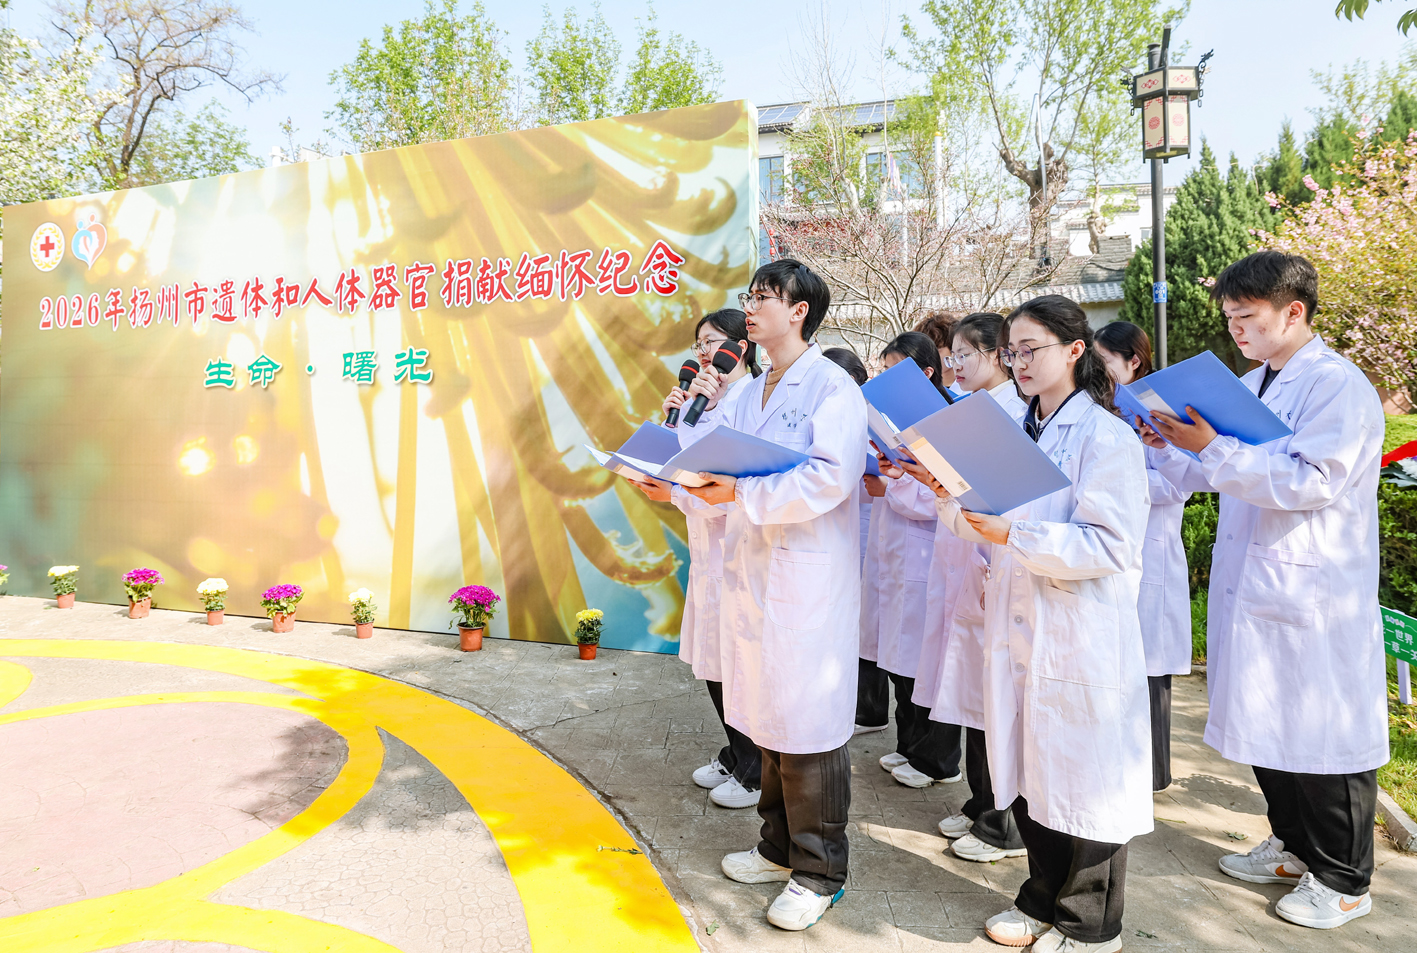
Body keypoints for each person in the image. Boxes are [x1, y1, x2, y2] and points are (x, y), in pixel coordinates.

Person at [1141, 251, 1386, 931]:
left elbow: (1311, 481)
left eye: (1245, 316)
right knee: (1268, 724)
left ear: (1293, 311)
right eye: (1229, 316)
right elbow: (1210, 472)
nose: (1235, 328)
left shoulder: (1336, 387)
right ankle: (1294, 844)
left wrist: (1212, 449)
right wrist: (1166, 443)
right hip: (1258, 583)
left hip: (1313, 591)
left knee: (1323, 734)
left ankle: (1344, 879)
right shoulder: (1252, 383)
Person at [936, 295, 1151, 953]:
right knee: (1032, 768)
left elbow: (1110, 544)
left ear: (1075, 350)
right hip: (1020, 622)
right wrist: (955, 504)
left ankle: (1090, 925)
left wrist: (1014, 532)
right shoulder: (1015, 430)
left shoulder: (1105, 437)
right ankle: (1040, 895)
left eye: (1032, 349)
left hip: (1079, 632)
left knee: (1085, 777)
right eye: (1013, 351)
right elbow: (976, 520)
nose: (1020, 362)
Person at [676, 259, 867, 932]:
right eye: (749, 296)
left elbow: (828, 479)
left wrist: (741, 492)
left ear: (799, 311)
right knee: (766, 717)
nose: (750, 308)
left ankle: (820, 872)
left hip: (804, 582)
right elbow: (708, 462)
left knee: (807, 726)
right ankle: (776, 847)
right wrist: (676, 482)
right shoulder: (747, 391)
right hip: (755, 575)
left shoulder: (832, 388)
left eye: (763, 297)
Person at [902, 311, 1030, 863]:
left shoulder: (1014, 415)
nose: (955, 364)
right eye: (951, 354)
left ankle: (1006, 822)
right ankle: (982, 802)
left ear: (999, 355)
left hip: (994, 564)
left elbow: (1008, 501)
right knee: (974, 699)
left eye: (966, 355)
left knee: (997, 705)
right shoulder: (967, 411)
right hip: (965, 560)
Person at [639, 310, 763, 810]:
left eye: (711, 342)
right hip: (709, 555)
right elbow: (683, 466)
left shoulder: (749, 401)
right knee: (712, 660)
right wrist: (676, 418)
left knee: (736, 666)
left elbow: (726, 486)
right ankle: (736, 755)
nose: (703, 354)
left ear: (739, 348)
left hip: (739, 554)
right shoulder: (706, 403)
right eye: (699, 345)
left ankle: (755, 772)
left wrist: (674, 492)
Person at [862, 332, 963, 789]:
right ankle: (909, 746)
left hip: (927, 553)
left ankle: (937, 759)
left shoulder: (947, 423)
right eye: (882, 371)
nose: (885, 379)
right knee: (899, 659)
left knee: (926, 662)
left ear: (925, 373)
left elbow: (939, 498)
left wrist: (892, 485)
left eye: (895, 371)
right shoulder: (897, 423)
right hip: (898, 553)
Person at [1095, 321, 1191, 793]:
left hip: (1152, 553)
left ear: (1133, 361)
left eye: (1106, 361)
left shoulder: (1159, 412)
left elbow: (1178, 484)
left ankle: (1152, 775)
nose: (1098, 371)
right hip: (1114, 556)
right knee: (1117, 666)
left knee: (1150, 671)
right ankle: (1120, 767)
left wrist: (1119, 479)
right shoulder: (1100, 412)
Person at [825, 347, 891, 735]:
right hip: (846, 531)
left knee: (868, 624)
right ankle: (858, 704)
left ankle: (870, 709)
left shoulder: (874, 419)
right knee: (853, 624)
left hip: (870, 529)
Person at [914, 311, 962, 392]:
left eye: (935, 350)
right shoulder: (920, 389)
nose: (927, 357)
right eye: (923, 351)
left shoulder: (973, 388)